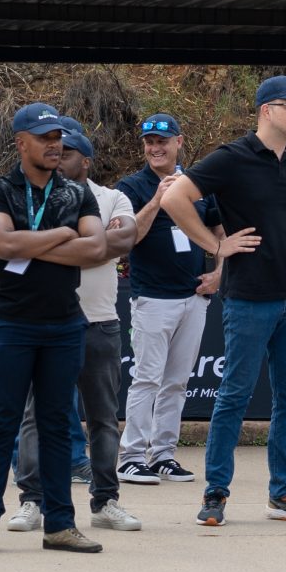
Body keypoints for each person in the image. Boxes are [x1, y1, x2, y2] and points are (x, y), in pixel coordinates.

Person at [160, 75, 286, 528]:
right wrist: (214, 245)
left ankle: (283, 493)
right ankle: (216, 492)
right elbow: (176, 199)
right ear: (265, 110)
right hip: (249, 298)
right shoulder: (232, 157)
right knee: (235, 397)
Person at [0, 104, 108, 555]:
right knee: (1, 424)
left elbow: (97, 247)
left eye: (58, 136)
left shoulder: (77, 192)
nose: (53, 144)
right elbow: (0, 242)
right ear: (20, 141)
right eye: (43, 137)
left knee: (58, 425)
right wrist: (64, 235)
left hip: (64, 324)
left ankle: (60, 525)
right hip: (10, 323)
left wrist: (32, 243)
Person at [11, 124, 140, 532]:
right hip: (46, 321)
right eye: (52, 149)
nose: (56, 157)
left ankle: (105, 501)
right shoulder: (36, 198)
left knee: (102, 418)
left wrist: (52, 248)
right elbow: (20, 248)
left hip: (99, 323)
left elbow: (122, 242)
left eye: (65, 152)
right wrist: (90, 246)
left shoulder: (113, 197)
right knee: (35, 416)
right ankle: (32, 501)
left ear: (84, 160)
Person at [114, 112, 218, 486]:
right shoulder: (131, 186)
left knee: (176, 382)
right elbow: (128, 239)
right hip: (152, 300)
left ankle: (163, 455)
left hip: (193, 298)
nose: (155, 148)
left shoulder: (199, 184)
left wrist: (219, 274)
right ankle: (131, 456)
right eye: (149, 142)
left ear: (179, 142)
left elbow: (221, 233)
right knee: (146, 379)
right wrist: (159, 199)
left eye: (162, 141)